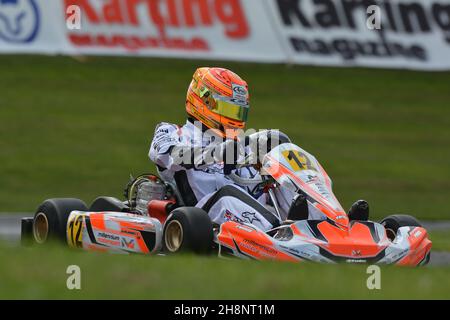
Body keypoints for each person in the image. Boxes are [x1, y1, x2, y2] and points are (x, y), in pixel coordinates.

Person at [149, 67, 281, 230]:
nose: (233, 118)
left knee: (285, 182)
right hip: (202, 219)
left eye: (238, 112)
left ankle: (317, 225)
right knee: (227, 194)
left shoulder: (244, 146)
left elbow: (259, 189)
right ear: (204, 100)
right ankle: (279, 235)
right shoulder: (173, 132)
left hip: (250, 216)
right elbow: (170, 156)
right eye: (228, 110)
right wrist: (218, 153)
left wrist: (271, 167)